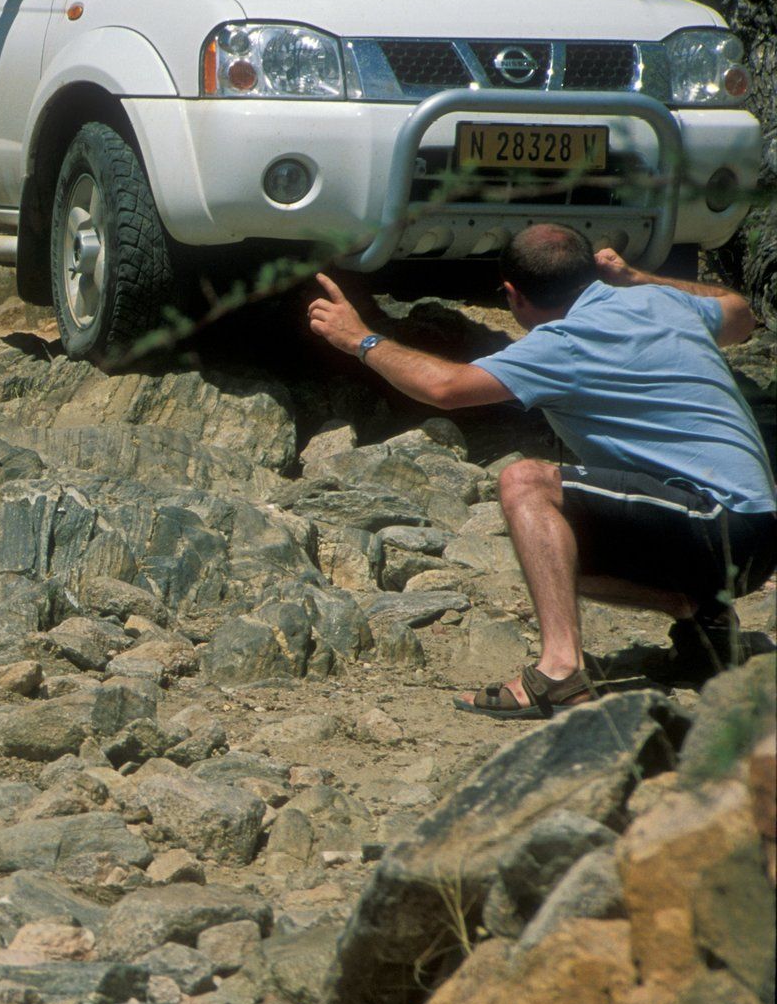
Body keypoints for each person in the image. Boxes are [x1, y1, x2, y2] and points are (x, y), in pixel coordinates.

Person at [306, 224, 776, 719]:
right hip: (758, 533)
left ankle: (560, 673)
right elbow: (739, 314)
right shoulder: (660, 300)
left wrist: (361, 339)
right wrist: (638, 277)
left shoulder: (562, 342)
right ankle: (704, 623)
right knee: (551, 549)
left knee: (525, 483)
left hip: (719, 522)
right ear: (591, 271)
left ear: (513, 295)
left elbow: (444, 388)